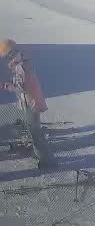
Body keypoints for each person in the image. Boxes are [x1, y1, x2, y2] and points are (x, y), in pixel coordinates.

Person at [1, 38, 55, 168]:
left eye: (5, 56)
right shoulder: (21, 63)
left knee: (36, 133)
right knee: (31, 130)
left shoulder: (20, 67)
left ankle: (46, 161)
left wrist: (5, 86)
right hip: (30, 102)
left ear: (10, 54)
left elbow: (20, 87)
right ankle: (38, 153)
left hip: (31, 105)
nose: (5, 60)